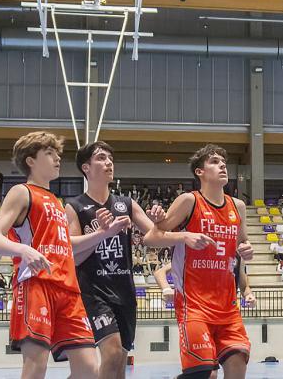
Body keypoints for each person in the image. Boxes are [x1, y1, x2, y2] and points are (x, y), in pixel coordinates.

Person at [65, 141, 205, 379]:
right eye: (101, 158)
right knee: (110, 354)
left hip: (125, 291)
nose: (108, 162)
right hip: (93, 292)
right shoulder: (75, 206)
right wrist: (103, 233)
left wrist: (164, 222)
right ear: (86, 168)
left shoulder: (126, 204)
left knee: (118, 361)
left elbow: (156, 237)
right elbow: (71, 250)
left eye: (110, 157)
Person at [0, 131, 99, 379]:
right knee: (36, 366)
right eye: (49, 153)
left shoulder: (57, 202)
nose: (57, 158)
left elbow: (66, 245)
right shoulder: (22, 192)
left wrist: (103, 234)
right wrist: (23, 250)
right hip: (37, 285)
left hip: (68, 289)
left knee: (89, 370)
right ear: (30, 160)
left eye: (57, 153)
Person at [149, 145, 254, 378]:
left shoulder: (238, 206)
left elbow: (242, 245)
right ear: (200, 172)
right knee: (204, 373)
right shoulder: (189, 201)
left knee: (238, 364)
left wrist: (246, 250)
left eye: (224, 162)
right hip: (194, 305)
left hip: (228, 307)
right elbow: (151, 237)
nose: (222, 165)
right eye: (215, 162)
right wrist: (184, 236)